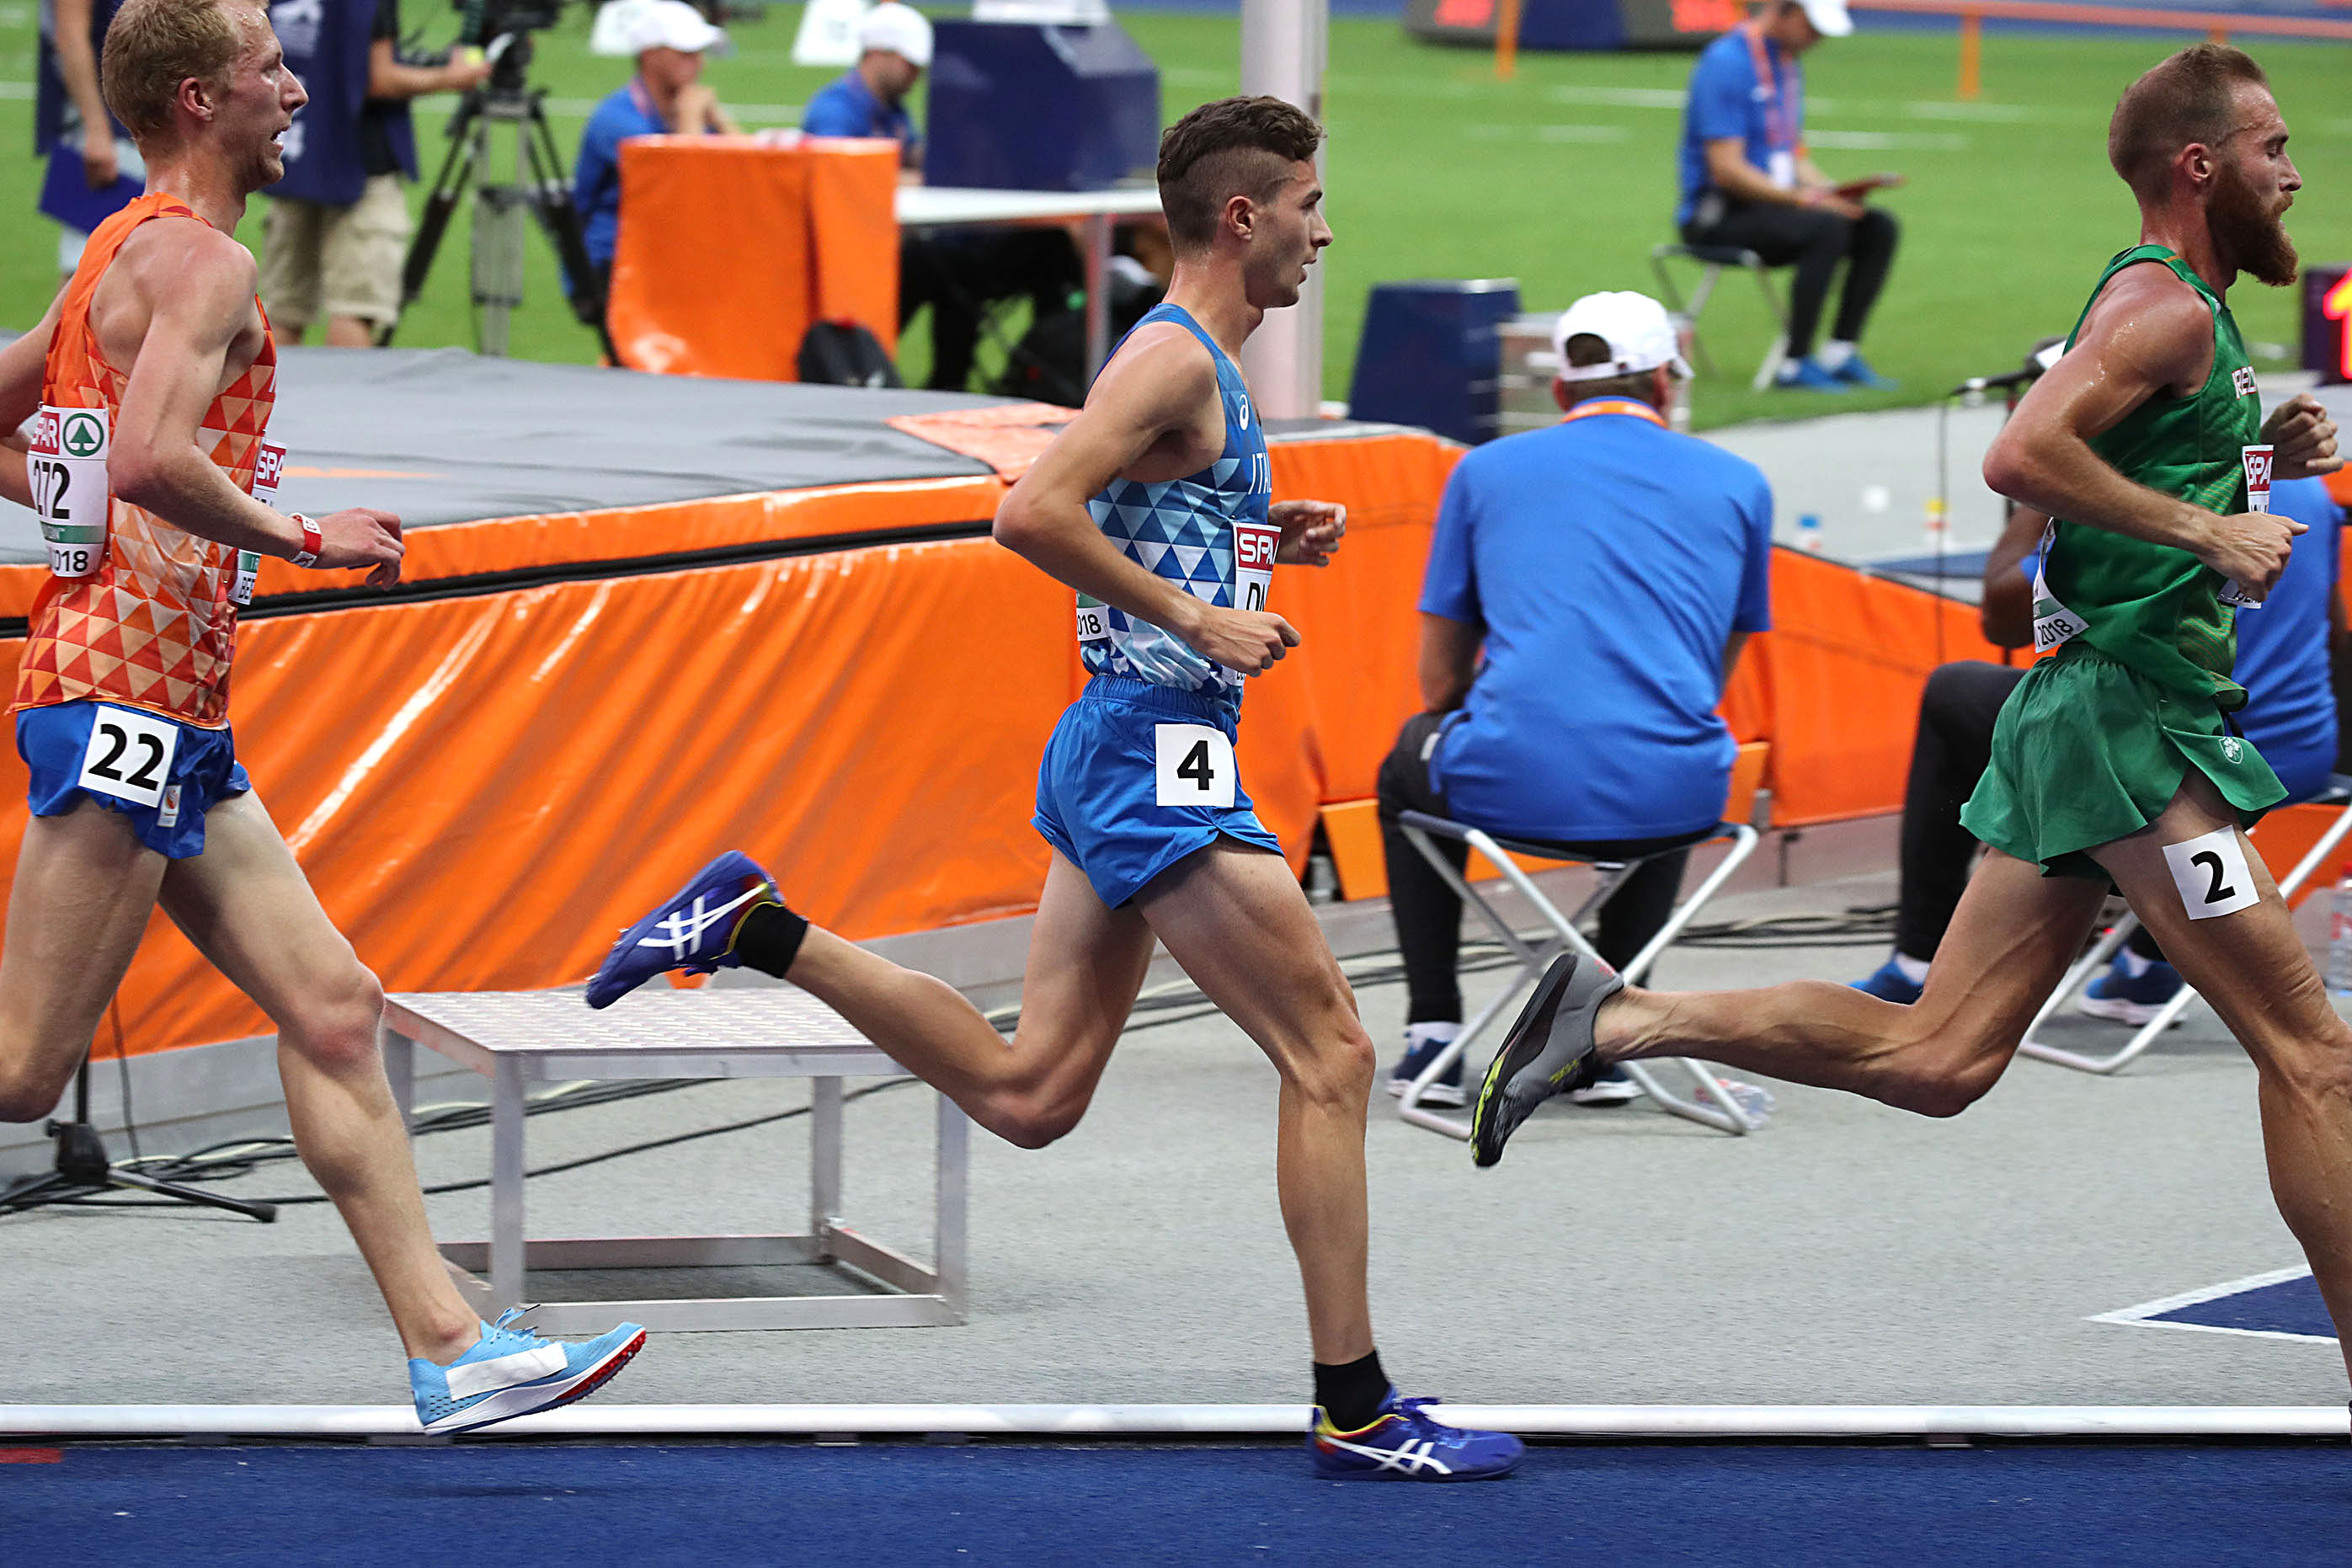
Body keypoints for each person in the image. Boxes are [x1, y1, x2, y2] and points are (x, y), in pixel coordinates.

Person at [586, 95, 1523, 1482]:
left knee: (1033, 1094)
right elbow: (1027, 510)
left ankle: (757, 927)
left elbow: (1143, 508)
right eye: (1309, 205)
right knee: (1330, 1055)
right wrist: (1196, 617)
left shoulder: (1197, 360)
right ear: (1243, 216)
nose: (1324, 233)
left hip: (1121, 742)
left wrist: (1261, 538)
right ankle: (1357, 1405)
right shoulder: (1172, 355)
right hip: (1154, 747)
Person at [1470, 44, 2352, 1389]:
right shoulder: (2161, 306)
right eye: (2270, 148)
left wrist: (2247, 466)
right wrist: (2207, 530)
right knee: (2314, 1055)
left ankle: (1618, 1017)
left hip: (2097, 719)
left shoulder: (2191, 319)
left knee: (1939, 1056)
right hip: (2129, 729)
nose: (2291, 174)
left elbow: (2122, 464)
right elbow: (2019, 454)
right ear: (2199, 165)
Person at [0, 0, 643, 1432]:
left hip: (170, 704)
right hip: (121, 699)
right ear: (195, 99)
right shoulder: (205, 261)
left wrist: (81, 516)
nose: (299, 91)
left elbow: (59, 439)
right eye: (269, 70)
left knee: (337, 1008)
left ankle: (450, 1347)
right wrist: (305, 535)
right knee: (24, 1072)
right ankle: (448, 1341)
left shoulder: (116, 248)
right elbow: (153, 455)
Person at [1377, 291, 1773, 1110]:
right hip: (1680, 793)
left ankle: (1434, 1029)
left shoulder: (1483, 471)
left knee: (1408, 758)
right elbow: (1706, 677)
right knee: (1667, 733)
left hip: (1515, 784)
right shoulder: (1741, 482)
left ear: (1560, 389)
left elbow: (1439, 684)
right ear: (1663, 382)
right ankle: (1610, 1028)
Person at [1854, 477, 2344, 1021]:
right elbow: (2335, 635)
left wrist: (2045, 489)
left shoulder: (2136, 489)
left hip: (2188, 757)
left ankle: (1919, 961)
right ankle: (2148, 960)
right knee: (2088, 713)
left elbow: (2003, 617)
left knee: (1956, 695)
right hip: (2295, 754)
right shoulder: (2306, 490)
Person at [803, 3, 1080, 394]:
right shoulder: (836, 111)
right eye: (908, 64)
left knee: (970, 262)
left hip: (891, 238)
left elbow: (915, 159)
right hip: (858, 250)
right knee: (941, 266)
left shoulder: (891, 112)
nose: (916, 75)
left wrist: (964, 139)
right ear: (877, 53)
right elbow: (843, 179)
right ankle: (904, 371)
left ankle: (978, 374)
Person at [1676, 0, 1901, 392]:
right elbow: (1727, 168)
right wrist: (1805, 201)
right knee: (1827, 227)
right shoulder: (1726, 62)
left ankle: (1840, 352)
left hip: (1774, 207)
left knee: (1876, 226)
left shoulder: (1785, 63)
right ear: (1783, 9)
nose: (1817, 39)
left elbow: (1792, 153)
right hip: (1718, 216)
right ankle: (1795, 363)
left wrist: (1835, 192)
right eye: (1811, 27)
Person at [259, 0, 491, 347]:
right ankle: (348, 389)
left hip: (297, 155)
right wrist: (452, 77)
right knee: (355, 309)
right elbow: (378, 78)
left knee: (284, 309)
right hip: (360, 163)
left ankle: (271, 387)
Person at [573, 0, 738, 293]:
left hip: (667, 254)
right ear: (650, 55)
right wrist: (691, 120)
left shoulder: (681, 108)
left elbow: (748, 177)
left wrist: (723, 123)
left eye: (699, 53)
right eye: (685, 53)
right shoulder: (617, 120)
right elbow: (683, 192)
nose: (699, 62)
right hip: (615, 264)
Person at [38, 0, 145, 278]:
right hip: (107, 132)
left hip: (146, 126)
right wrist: (96, 130)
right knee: (91, 266)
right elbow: (69, 34)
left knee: (145, 264)